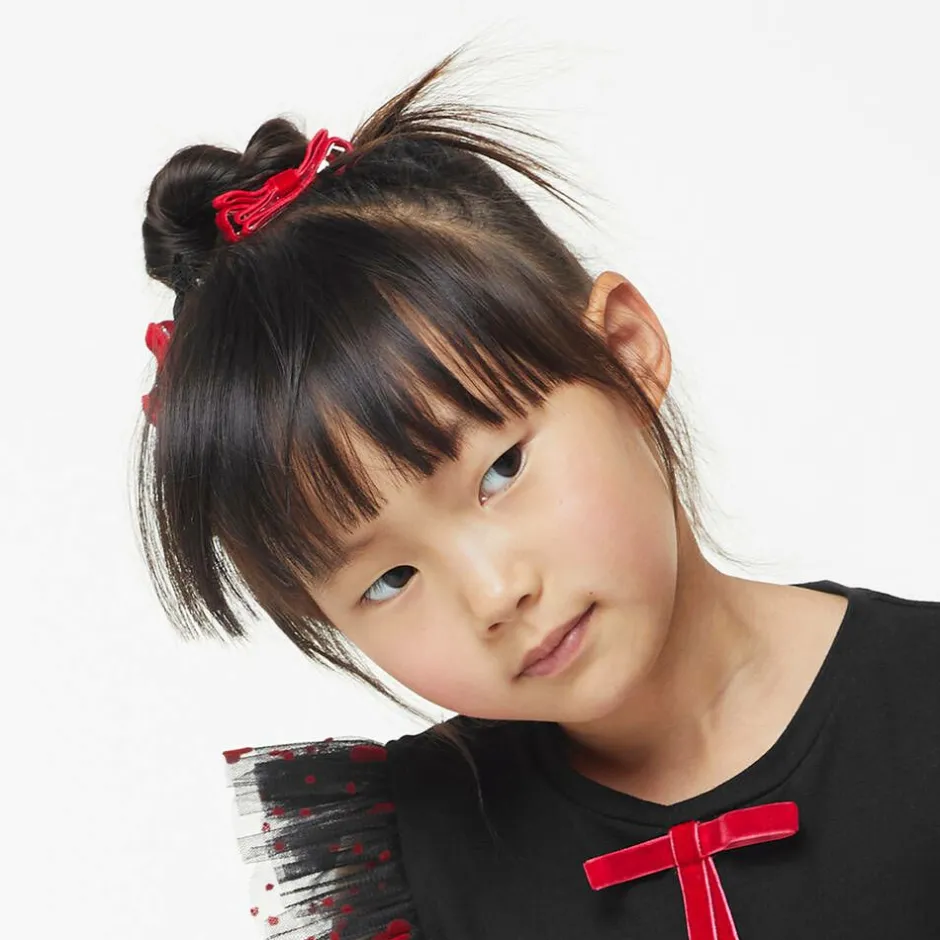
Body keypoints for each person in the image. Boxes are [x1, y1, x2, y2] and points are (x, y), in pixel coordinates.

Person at [135, 46, 940, 940]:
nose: (494, 594)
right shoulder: (417, 866)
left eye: (501, 471)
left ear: (625, 352)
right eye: (390, 580)